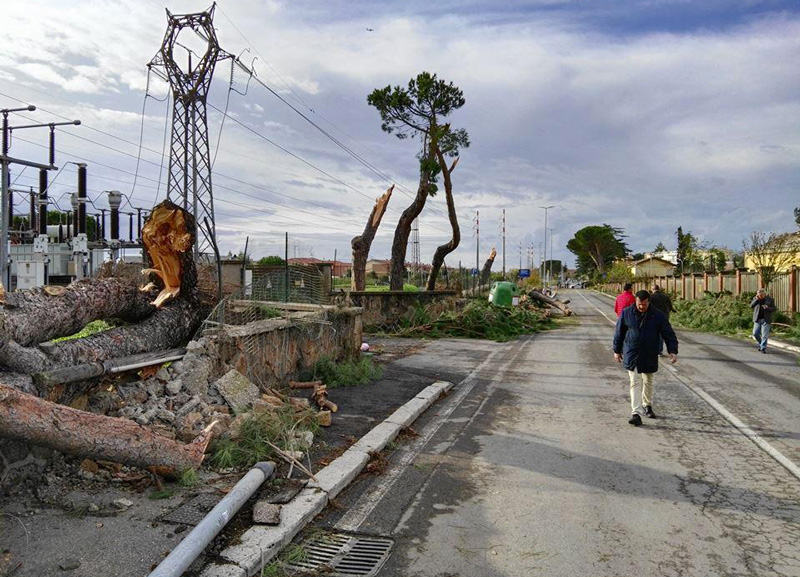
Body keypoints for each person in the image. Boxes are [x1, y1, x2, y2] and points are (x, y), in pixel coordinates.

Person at [613, 290, 679, 426]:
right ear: (635, 301)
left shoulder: (658, 316)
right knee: (635, 382)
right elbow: (619, 333)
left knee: (648, 380)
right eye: (639, 303)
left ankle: (647, 405)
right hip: (633, 352)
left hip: (649, 352)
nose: (641, 306)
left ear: (649, 302)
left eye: (644, 304)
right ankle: (635, 413)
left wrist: (672, 350)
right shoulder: (627, 313)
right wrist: (617, 350)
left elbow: (668, 333)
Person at [649, 285, 673, 355]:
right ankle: (660, 350)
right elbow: (670, 307)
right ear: (659, 289)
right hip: (665, 317)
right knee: (661, 333)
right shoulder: (666, 297)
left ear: (652, 289)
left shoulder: (651, 297)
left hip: (654, 317)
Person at [750, 288, 776, 354]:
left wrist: (768, 308)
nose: (760, 296)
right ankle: (761, 344)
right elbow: (751, 306)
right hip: (757, 319)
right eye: (759, 294)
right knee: (755, 333)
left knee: (764, 335)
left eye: (761, 295)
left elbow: (774, 308)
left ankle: (763, 348)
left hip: (766, 319)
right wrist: (756, 299)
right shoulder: (755, 299)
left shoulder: (770, 299)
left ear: (765, 294)